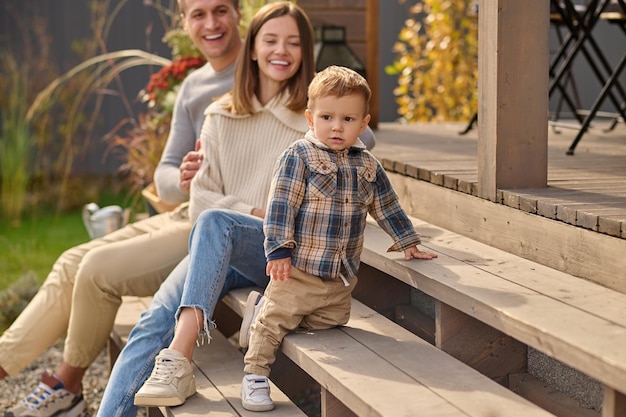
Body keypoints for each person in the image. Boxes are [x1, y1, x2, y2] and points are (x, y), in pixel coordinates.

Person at [0, 1, 243, 416]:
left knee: (96, 270)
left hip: (215, 225)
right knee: (70, 261)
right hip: (183, 209)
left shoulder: (262, 69)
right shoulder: (193, 84)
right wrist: (183, 177)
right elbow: (164, 175)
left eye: (220, 10)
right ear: (184, 22)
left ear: (239, 12)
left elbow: (343, 124)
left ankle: (67, 387)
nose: (211, 23)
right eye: (197, 14)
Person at [97, 2, 317, 415]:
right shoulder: (219, 114)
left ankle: (181, 358)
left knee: (219, 222)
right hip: (224, 243)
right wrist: (254, 212)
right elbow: (200, 201)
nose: (281, 51)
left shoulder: (313, 122)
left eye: (293, 42)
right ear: (252, 49)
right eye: (270, 40)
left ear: (307, 51)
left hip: (279, 253)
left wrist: (247, 219)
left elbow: (364, 138)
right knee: (151, 323)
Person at [238, 65, 438, 412]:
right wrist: (279, 251)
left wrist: (408, 241)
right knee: (275, 323)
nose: (337, 126)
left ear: (364, 123)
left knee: (328, 322)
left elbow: (386, 206)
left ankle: (261, 311)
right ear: (310, 118)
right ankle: (255, 374)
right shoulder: (298, 157)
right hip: (298, 271)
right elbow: (281, 205)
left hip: (340, 277)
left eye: (348, 119)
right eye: (327, 117)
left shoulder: (368, 165)